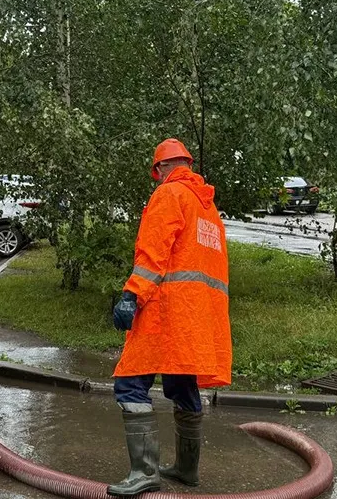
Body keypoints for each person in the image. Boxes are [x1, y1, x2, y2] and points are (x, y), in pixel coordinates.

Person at [107, 138, 232, 497]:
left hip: (164, 311)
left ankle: (144, 472)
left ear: (161, 169)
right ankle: (187, 469)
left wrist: (131, 296)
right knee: (181, 386)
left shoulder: (168, 196)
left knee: (130, 383)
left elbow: (153, 253)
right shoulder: (208, 209)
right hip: (197, 319)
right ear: (188, 165)